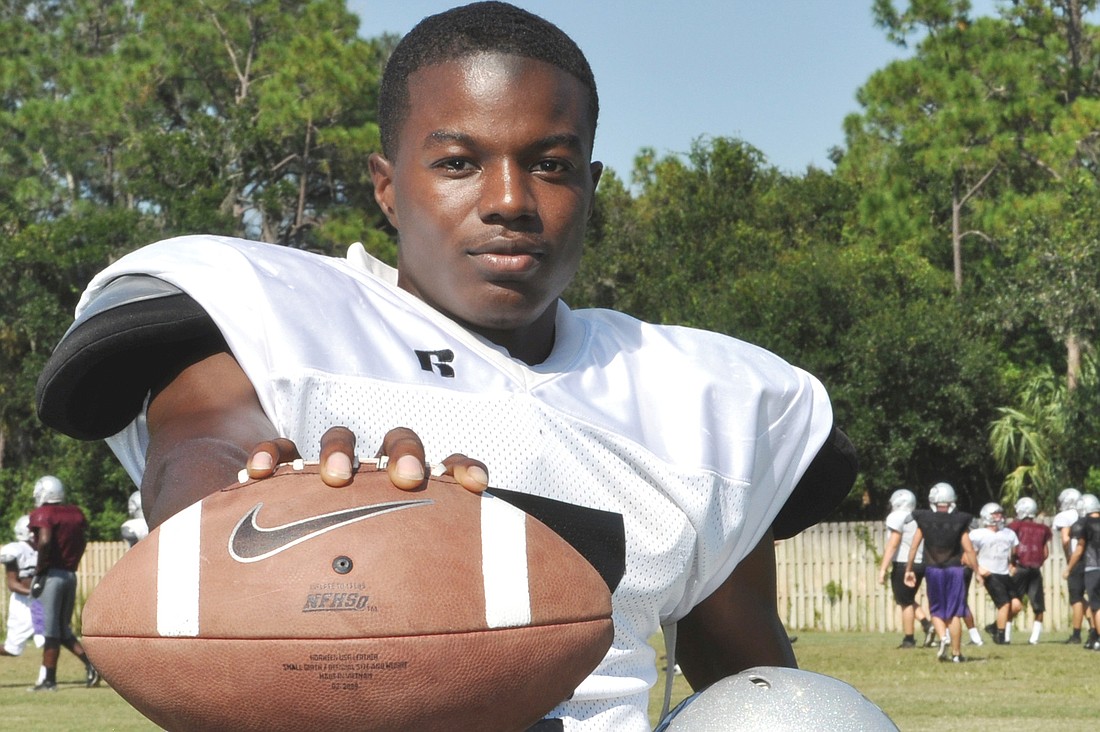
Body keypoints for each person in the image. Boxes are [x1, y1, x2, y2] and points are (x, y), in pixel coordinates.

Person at [33, 3, 857, 728]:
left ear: (593, 185)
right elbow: (201, 456)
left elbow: (759, 687)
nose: (509, 199)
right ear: (388, 189)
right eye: (460, 162)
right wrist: (286, 506)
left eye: (551, 164)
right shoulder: (269, 315)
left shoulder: (704, 395)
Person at [26, 475, 99, 691]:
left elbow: (46, 540)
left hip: (51, 575)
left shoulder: (43, 514)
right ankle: (92, 665)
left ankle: (48, 680)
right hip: (70, 574)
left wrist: (40, 571)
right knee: (61, 628)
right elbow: (83, 539)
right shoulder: (74, 513)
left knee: (50, 630)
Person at [905, 482, 979, 663]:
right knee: (954, 613)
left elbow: (914, 547)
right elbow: (968, 549)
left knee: (936, 611)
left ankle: (942, 636)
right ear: (952, 499)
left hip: (934, 570)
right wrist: (978, 571)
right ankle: (956, 653)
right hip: (955, 570)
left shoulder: (924, 519)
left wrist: (908, 569)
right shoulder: (960, 520)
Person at [876, 488, 933, 648]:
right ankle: (927, 625)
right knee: (907, 598)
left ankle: (909, 639)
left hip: (904, 563)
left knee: (905, 602)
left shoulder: (897, 517)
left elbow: (894, 543)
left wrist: (883, 568)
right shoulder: (918, 516)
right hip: (922, 562)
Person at [969, 502, 1020, 645]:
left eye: (1000, 514)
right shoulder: (977, 534)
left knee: (1016, 606)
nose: (999, 517)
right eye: (995, 514)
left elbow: (1014, 552)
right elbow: (969, 555)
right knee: (1004, 605)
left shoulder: (1009, 533)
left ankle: (993, 627)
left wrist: (1012, 563)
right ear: (986, 515)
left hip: (1004, 573)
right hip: (990, 573)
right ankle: (1000, 636)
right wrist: (978, 569)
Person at [1007, 496, 1052, 644]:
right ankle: (1034, 638)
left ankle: (1005, 636)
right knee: (1038, 605)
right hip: (1035, 570)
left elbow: (1013, 550)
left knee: (1012, 601)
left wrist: (1012, 563)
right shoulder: (1043, 529)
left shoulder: (1015, 526)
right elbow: (1045, 553)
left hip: (1020, 567)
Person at [1, 516, 46, 661]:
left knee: (48, 640)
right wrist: (34, 592)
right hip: (22, 604)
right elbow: (13, 584)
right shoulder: (16, 549)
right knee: (12, 650)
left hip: (38, 604)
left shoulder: (42, 550)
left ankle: (46, 679)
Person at [1065, 494, 1100, 650]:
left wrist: (1068, 568)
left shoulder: (1084, 523)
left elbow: (1079, 549)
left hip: (1093, 567)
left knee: (1096, 606)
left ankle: (1097, 638)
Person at [1052, 487, 1087, 644]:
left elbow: (1066, 539)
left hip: (1077, 559)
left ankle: (1076, 634)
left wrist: (1069, 559)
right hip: (1092, 559)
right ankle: (1094, 630)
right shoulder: (1086, 515)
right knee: (1091, 598)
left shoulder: (1064, 516)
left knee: (1076, 598)